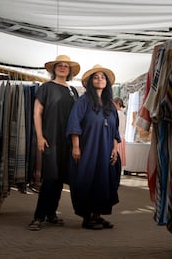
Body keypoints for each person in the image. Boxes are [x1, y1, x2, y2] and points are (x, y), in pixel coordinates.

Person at [28, 55, 80, 231]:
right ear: (54, 69)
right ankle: (38, 217)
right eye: (60, 65)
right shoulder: (46, 87)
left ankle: (51, 214)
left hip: (68, 141)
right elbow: (37, 113)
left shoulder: (73, 91)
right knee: (50, 178)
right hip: (51, 139)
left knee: (60, 179)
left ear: (70, 71)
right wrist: (40, 137)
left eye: (66, 66)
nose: (63, 67)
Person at [66, 64, 121, 230]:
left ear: (107, 83)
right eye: (96, 77)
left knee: (103, 181)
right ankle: (87, 217)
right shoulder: (83, 102)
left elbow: (115, 130)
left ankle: (98, 215)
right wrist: (76, 147)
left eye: (103, 77)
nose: (100, 79)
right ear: (91, 82)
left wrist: (114, 148)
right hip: (88, 149)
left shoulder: (110, 106)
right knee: (86, 179)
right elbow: (74, 124)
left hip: (106, 150)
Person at [113, 97, 127, 167]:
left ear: (117, 104)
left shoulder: (117, 114)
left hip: (118, 138)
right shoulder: (123, 114)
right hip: (122, 137)